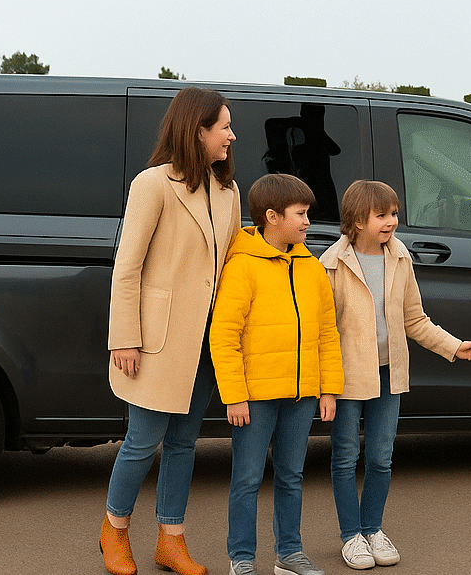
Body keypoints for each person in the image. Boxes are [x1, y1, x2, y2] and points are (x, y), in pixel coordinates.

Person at [102, 88, 240, 575]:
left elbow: (230, 265)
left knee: (184, 443)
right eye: (223, 126)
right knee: (142, 441)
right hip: (155, 338)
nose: (231, 135)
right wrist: (124, 336)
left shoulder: (228, 191)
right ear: (196, 130)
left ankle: (170, 540)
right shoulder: (152, 184)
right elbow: (127, 266)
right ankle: (115, 531)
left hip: (205, 341)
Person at [320, 180, 471, 570]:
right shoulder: (330, 264)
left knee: (381, 457)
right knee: (345, 457)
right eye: (382, 215)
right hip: (346, 378)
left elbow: (415, 319)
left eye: (394, 213)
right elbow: (323, 331)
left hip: (388, 374)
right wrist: (325, 386)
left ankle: (372, 529)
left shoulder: (400, 258)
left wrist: (454, 346)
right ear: (358, 220)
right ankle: (350, 537)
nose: (392, 222)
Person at [211, 174, 345, 575]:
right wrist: (234, 395)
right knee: (247, 479)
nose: (308, 222)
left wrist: (328, 389)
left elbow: (327, 332)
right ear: (272, 217)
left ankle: (289, 553)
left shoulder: (311, 267)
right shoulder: (242, 267)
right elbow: (224, 335)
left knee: (291, 477)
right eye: (300, 214)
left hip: (303, 395)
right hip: (254, 396)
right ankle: (242, 559)